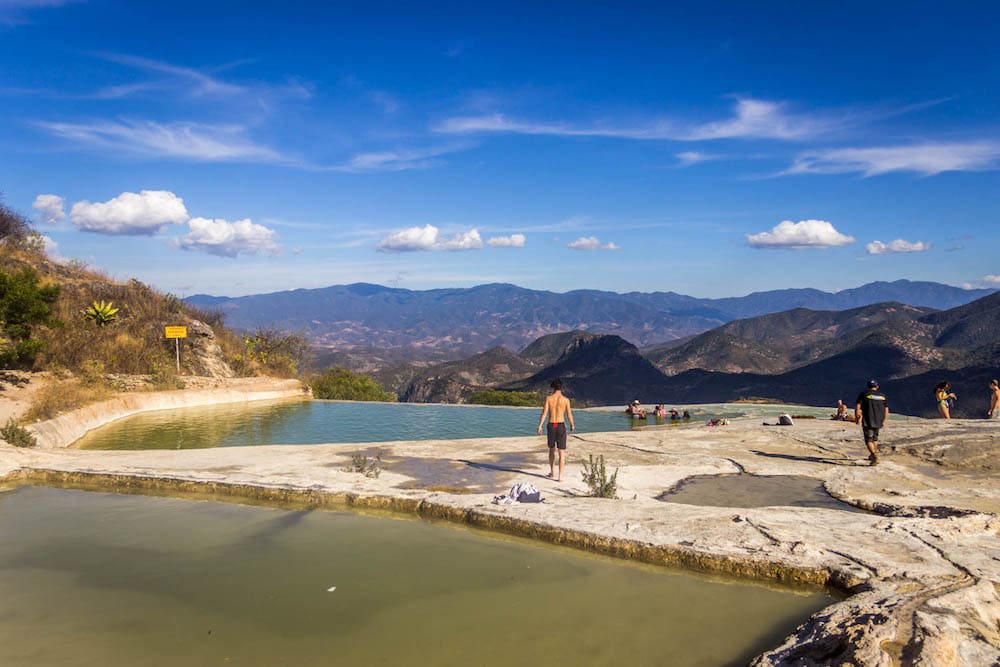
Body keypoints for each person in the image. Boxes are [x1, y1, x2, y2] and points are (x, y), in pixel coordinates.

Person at [538, 378, 574, 481]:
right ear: (561, 388)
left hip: (551, 424)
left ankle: (552, 472)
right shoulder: (566, 400)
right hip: (561, 425)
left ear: (553, 387)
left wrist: (540, 425)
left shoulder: (549, 399)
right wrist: (572, 424)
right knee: (561, 452)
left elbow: (544, 413)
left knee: (551, 449)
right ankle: (560, 477)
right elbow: (569, 414)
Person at [855, 379, 889, 466]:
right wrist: (883, 420)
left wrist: (857, 417)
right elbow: (886, 409)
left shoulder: (864, 394)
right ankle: (873, 454)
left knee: (868, 439)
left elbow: (858, 406)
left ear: (868, 386)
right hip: (878, 420)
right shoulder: (882, 396)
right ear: (877, 387)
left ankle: (874, 455)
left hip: (868, 420)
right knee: (875, 438)